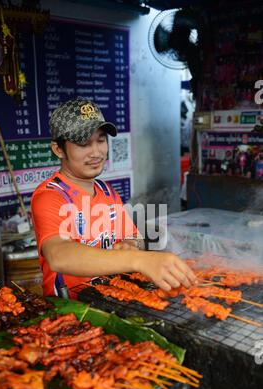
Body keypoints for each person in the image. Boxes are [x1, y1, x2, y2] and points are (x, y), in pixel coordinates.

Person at [31, 97, 196, 298]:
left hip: (111, 300)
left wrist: (131, 245)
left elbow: (132, 236)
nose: (96, 152)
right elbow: (58, 255)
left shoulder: (108, 193)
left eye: (100, 140)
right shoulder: (50, 197)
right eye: (84, 143)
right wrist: (139, 260)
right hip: (70, 311)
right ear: (58, 149)